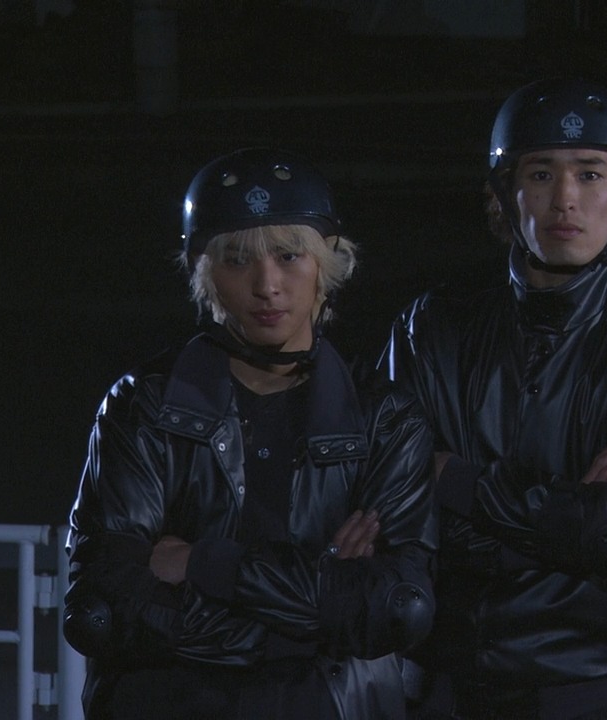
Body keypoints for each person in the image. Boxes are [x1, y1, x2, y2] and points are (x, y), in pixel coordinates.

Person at [379, 77, 607, 719]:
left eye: (590, 174)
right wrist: (571, 519)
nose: (566, 198)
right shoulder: (431, 327)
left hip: (591, 695)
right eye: (541, 174)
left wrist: (453, 478)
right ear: (504, 194)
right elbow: (389, 515)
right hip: (439, 691)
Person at [63, 147, 438, 719]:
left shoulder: (384, 418)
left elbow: (395, 609)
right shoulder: (143, 406)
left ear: (325, 263)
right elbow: (102, 606)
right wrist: (315, 602)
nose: (268, 285)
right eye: (238, 260)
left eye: (289, 256)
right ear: (204, 270)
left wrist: (203, 564)